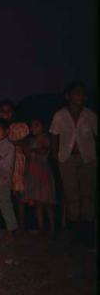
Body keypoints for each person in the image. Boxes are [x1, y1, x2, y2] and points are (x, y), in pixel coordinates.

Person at [50, 82, 97, 243]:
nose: (80, 96)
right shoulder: (60, 115)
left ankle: (88, 227)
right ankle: (74, 228)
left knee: (88, 193)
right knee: (71, 193)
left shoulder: (90, 115)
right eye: (76, 93)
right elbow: (54, 135)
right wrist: (56, 156)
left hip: (87, 158)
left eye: (82, 93)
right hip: (67, 158)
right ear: (68, 96)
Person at [0, 99, 29, 229]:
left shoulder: (20, 127)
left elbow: (22, 143)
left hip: (17, 161)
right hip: (1, 163)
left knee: (18, 192)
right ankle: (5, 223)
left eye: (8, 111)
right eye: (2, 111)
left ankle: (20, 223)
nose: (5, 113)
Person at [23, 118, 56, 233]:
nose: (33, 128)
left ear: (43, 127)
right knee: (37, 203)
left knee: (47, 202)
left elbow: (44, 151)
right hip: (33, 173)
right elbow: (27, 156)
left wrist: (33, 150)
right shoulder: (30, 141)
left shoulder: (46, 138)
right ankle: (41, 228)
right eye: (31, 125)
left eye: (36, 125)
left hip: (43, 173)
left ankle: (52, 228)